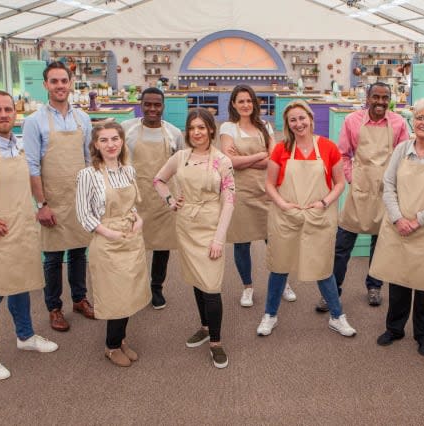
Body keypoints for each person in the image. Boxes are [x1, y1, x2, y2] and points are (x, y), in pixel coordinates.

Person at [256, 100, 356, 337]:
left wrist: (323, 202)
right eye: (293, 120)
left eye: (302, 118)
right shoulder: (280, 149)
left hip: (318, 216)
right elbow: (269, 184)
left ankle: (337, 316)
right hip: (285, 215)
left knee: (322, 267)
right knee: (279, 266)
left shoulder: (329, 148)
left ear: (310, 119)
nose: (298, 123)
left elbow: (340, 183)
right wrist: (282, 204)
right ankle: (270, 315)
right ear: (288, 124)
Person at [0, 90, 58, 380]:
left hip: (22, 230)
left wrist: (40, 205)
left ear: (16, 113)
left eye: (8, 109)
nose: (3, 115)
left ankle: (25, 336)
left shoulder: (20, 146)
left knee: (21, 285)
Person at [370, 99, 424, 356]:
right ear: (413, 120)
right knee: (398, 281)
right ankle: (394, 328)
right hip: (399, 227)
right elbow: (389, 186)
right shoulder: (401, 150)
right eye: (420, 117)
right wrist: (398, 219)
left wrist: (417, 220)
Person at [154, 108, 235, 369]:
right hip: (186, 225)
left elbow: (230, 203)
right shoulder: (180, 157)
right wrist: (170, 200)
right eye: (192, 128)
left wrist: (219, 240)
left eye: (202, 127)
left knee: (211, 285)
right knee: (197, 280)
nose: (197, 132)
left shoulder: (223, 161)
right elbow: (158, 180)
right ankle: (204, 326)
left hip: (211, 226)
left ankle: (216, 341)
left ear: (211, 129)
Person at [323, 82, 408, 312]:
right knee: (342, 245)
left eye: (385, 97)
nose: (380, 102)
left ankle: (374, 286)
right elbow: (342, 155)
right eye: (376, 97)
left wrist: (392, 186)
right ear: (367, 98)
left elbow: (403, 158)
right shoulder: (352, 121)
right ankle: (333, 291)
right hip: (358, 190)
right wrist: (353, 179)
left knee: (379, 244)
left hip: (385, 192)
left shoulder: (399, 123)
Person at [23, 61, 94, 332]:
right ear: (46, 86)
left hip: (77, 198)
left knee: (79, 252)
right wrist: (41, 205)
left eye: (64, 81)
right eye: (54, 81)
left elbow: (88, 161)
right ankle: (54, 307)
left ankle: (80, 298)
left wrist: (90, 197)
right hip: (51, 199)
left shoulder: (82, 119)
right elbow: (32, 167)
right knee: (52, 258)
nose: (60, 86)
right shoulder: (34, 122)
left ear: (70, 83)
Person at [75, 122, 150, 367]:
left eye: (115, 139)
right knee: (115, 296)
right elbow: (84, 214)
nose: (111, 144)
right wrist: (109, 233)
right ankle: (111, 345)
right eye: (104, 140)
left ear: (121, 141)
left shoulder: (128, 170)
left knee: (130, 294)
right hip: (108, 243)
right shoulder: (87, 175)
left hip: (131, 239)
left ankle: (120, 339)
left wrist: (138, 219)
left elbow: (132, 204)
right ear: (95, 144)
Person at [220, 85, 296, 307]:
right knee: (241, 243)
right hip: (241, 193)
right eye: (240, 101)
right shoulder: (228, 127)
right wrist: (262, 154)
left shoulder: (266, 126)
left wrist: (246, 158)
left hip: (266, 190)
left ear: (254, 104)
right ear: (233, 104)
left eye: (249, 101)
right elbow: (229, 161)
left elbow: (274, 160)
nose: (245, 105)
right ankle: (247, 287)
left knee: (274, 240)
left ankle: (283, 281)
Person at [122, 87, 183, 309]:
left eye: (157, 104)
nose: (152, 109)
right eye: (147, 104)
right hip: (134, 197)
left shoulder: (174, 133)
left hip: (162, 199)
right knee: (133, 245)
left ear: (163, 106)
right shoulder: (126, 130)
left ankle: (156, 287)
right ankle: (134, 288)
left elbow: (181, 167)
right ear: (141, 105)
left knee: (161, 246)